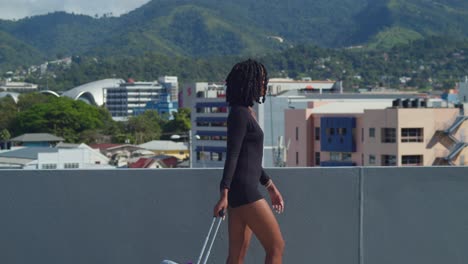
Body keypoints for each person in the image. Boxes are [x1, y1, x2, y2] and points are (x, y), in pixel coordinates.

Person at [213, 59, 285, 264]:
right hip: (245, 192)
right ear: (249, 82)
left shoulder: (243, 112)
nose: (264, 84)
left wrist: (270, 186)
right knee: (276, 246)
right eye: (260, 80)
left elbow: (249, 159)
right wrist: (223, 194)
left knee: (236, 256)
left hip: (240, 191)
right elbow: (233, 154)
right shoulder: (239, 114)